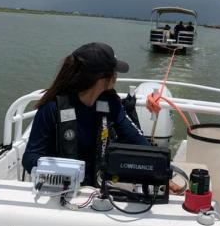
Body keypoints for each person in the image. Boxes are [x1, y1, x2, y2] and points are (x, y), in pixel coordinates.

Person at [22, 42, 149, 186]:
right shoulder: (52, 108)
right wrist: (60, 174)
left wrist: (161, 169)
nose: (116, 76)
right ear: (101, 78)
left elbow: (138, 141)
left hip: (96, 189)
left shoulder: (112, 105)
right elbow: (30, 158)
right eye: (114, 71)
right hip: (59, 191)